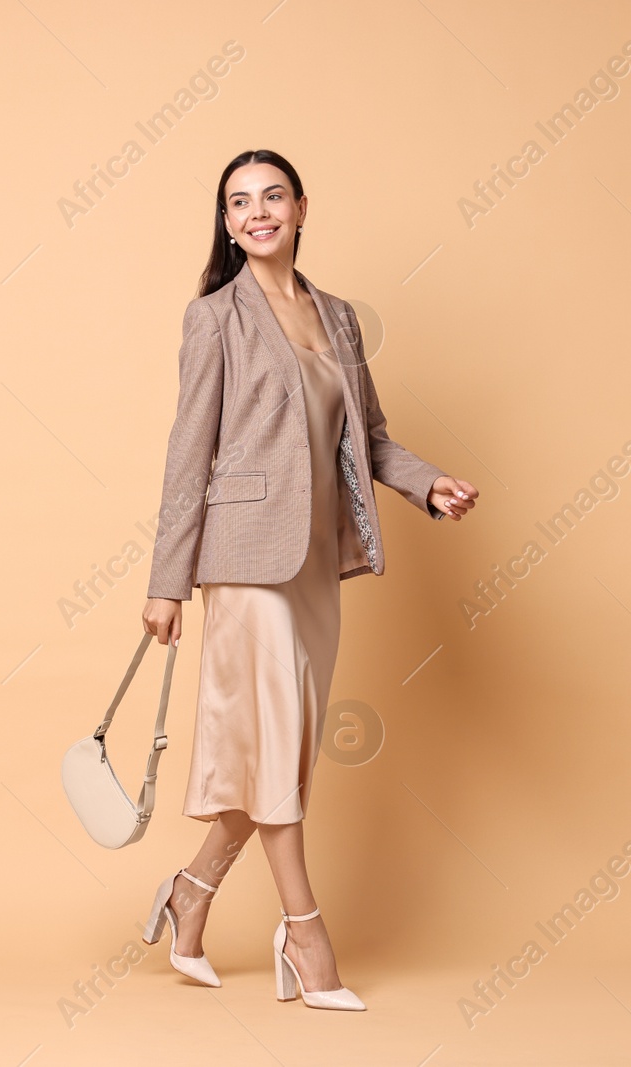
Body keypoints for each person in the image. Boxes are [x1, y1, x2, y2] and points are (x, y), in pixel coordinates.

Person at [139, 149, 478, 1011]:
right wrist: (167, 582)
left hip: (316, 564)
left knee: (280, 749)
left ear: (299, 209)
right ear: (226, 222)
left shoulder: (336, 316)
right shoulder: (213, 318)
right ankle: (305, 932)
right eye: (239, 202)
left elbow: (367, 435)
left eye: (272, 197)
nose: (257, 213)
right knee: (278, 739)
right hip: (245, 559)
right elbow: (189, 453)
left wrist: (426, 483)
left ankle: (191, 892)